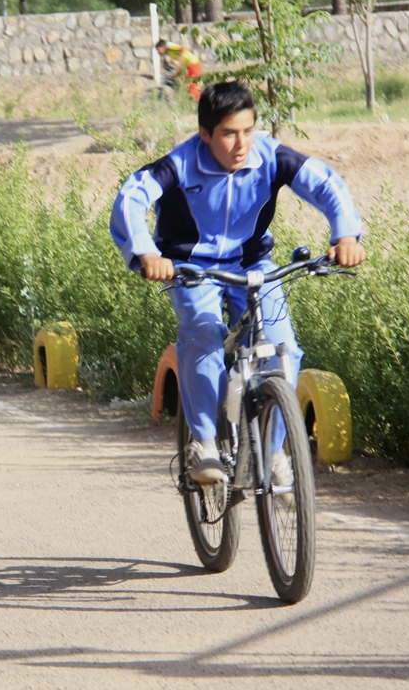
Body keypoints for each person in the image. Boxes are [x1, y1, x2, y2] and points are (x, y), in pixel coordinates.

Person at [109, 81, 365, 484]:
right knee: (205, 333)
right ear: (205, 134)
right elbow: (131, 197)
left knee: (284, 350)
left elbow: (326, 183)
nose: (241, 143)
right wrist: (146, 253)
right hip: (191, 268)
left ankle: (275, 449)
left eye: (247, 130)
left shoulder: (270, 156)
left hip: (253, 265)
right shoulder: (180, 164)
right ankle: (206, 445)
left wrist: (346, 236)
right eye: (228, 133)